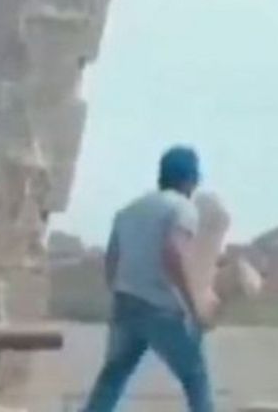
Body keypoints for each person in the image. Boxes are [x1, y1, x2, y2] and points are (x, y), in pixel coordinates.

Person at [80, 146, 216, 412]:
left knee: (112, 378)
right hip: (160, 307)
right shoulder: (183, 208)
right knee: (195, 376)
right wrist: (193, 306)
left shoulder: (128, 211)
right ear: (189, 179)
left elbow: (112, 262)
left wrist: (121, 295)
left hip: (125, 304)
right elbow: (173, 254)